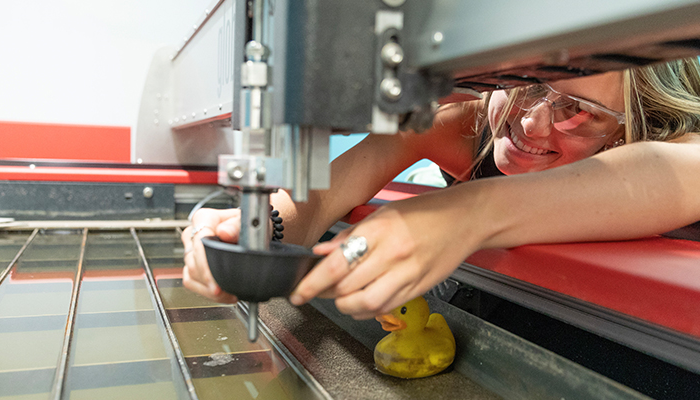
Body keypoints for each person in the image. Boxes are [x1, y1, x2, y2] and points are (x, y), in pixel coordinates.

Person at [182, 57, 700, 320]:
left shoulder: (668, 147)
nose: (530, 124)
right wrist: (254, 229)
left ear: (632, 129)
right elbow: (319, 195)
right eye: (525, 85)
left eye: (576, 111)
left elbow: (681, 169)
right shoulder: (464, 123)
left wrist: (459, 214)